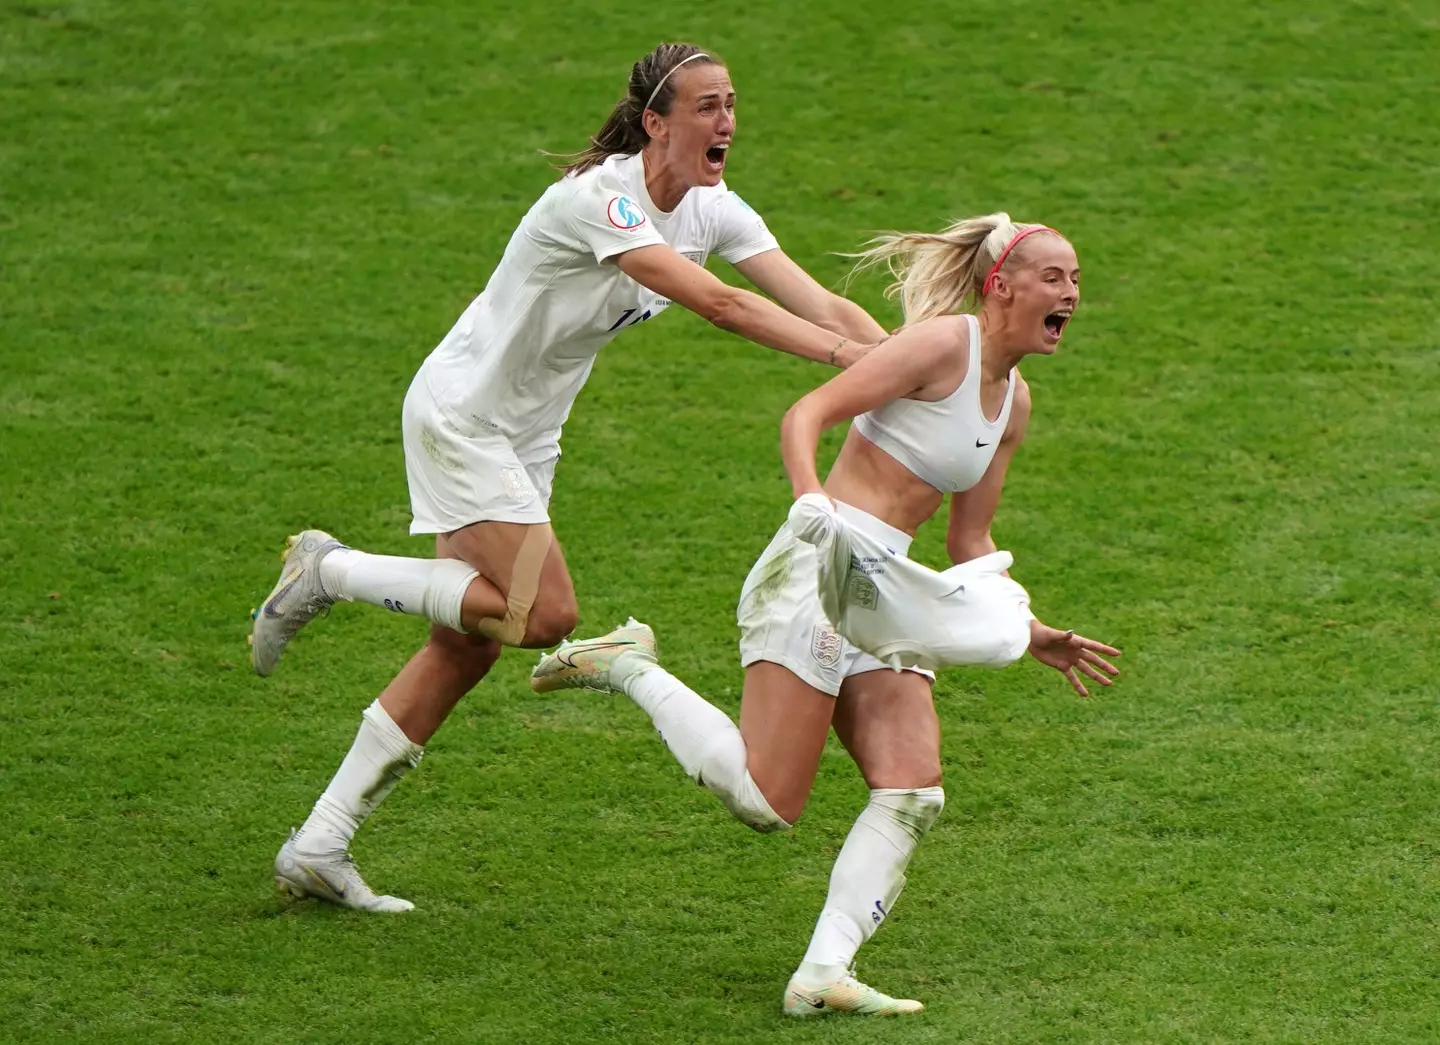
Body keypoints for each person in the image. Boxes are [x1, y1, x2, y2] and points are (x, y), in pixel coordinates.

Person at [250, 41, 893, 913]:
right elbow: (724, 305)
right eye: (707, 105)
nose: (728, 121)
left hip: (526, 434)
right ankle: (326, 569)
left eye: (733, 103)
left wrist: (902, 368)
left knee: (467, 640)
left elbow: (819, 300)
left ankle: (319, 843)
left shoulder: (713, 208)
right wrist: (846, 360)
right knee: (542, 613)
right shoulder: (600, 202)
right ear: (656, 122)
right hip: (465, 415)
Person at [532, 214, 1122, 1016]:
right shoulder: (943, 345)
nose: (1072, 294)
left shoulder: (1014, 401)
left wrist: (1028, 628)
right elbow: (805, 415)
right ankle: (626, 663)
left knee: (913, 788)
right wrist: (814, 502)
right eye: (1056, 277)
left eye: (1077, 280)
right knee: (767, 802)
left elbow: (969, 536)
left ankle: (821, 973)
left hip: (886, 588)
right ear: (1003, 287)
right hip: (815, 564)